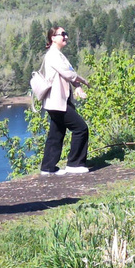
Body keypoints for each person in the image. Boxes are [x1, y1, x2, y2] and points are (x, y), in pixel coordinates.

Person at [39, 26, 90, 175]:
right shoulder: (53, 55)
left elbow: (69, 73)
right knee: (81, 128)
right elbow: (68, 73)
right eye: (63, 34)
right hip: (56, 102)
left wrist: (77, 87)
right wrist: (83, 81)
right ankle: (74, 164)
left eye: (66, 34)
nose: (66, 37)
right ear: (53, 38)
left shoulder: (58, 55)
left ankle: (47, 168)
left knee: (56, 133)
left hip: (57, 102)